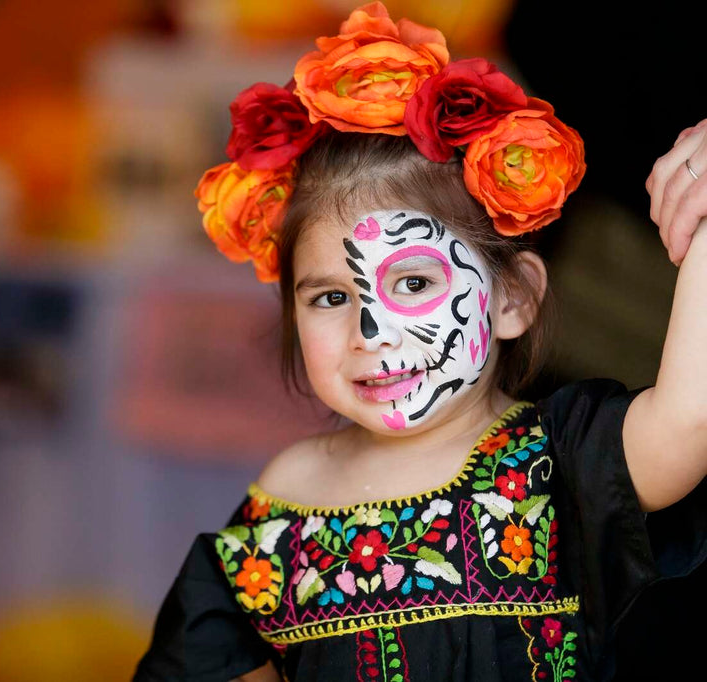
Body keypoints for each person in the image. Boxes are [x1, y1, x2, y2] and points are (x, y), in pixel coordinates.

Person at [131, 3, 707, 680]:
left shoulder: (561, 460)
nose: (369, 332)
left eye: (411, 284)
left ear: (512, 298)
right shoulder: (280, 509)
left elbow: (689, 418)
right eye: (330, 297)